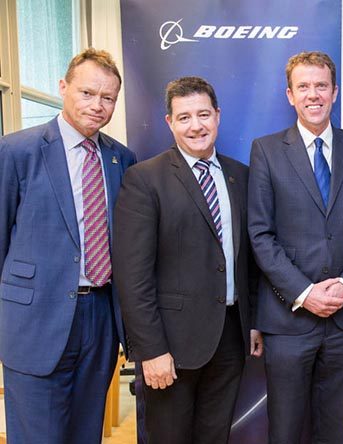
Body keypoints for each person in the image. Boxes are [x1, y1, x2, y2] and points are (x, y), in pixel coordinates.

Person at [113, 76, 262, 444]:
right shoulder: (144, 179)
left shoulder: (239, 176)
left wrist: (253, 322)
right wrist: (151, 350)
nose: (196, 125)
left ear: (218, 116)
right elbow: (133, 277)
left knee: (215, 436)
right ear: (169, 122)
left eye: (203, 114)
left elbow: (249, 261)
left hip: (229, 336)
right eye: (184, 117)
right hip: (171, 346)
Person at [248, 51, 343, 443]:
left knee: (335, 430)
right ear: (289, 95)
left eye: (321, 86)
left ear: (335, 92)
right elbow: (260, 233)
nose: (313, 94)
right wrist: (304, 293)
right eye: (303, 87)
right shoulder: (267, 150)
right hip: (288, 319)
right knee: (287, 430)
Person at [0, 48, 136, 443]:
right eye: (87, 93)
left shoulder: (121, 159)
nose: (98, 105)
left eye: (108, 98)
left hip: (99, 319)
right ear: (63, 88)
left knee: (85, 433)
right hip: (36, 320)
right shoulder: (16, 151)